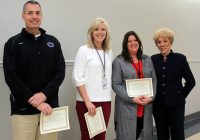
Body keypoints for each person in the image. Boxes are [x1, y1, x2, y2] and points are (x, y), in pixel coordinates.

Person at [3, 1, 65, 140]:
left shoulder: (53, 42)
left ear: (41, 16)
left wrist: (44, 95)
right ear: (23, 16)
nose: (34, 16)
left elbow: (60, 72)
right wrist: (36, 101)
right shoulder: (12, 43)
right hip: (23, 111)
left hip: (50, 109)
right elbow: (11, 77)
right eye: (30, 13)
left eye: (37, 13)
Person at [151, 28, 196, 140]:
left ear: (170, 42)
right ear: (156, 44)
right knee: (162, 135)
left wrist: (180, 95)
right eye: (159, 42)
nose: (162, 44)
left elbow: (191, 81)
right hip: (159, 106)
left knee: (178, 135)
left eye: (165, 41)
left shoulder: (180, 58)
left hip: (176, 105)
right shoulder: (153, 59)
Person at [72, 17, 112, 140]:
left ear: (106, 32)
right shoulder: (84, 50)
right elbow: (77, 77)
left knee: (101, 136)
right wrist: (87, 101)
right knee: (87, 136)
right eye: (96, 29)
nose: (100, 32)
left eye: (103, 29)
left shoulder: (109, 52)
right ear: (91, 32)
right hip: (86, 102)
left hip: (105, 100)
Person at [112, 31, 157, 140]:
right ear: (125, 45)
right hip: (127, 107)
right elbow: (116, 84)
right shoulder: (119, 61)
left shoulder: (147, 59)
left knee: (144, 135)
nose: (133, 43)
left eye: (135, 40)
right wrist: (132, 98)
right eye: (129, 41)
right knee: (127, 136)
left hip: (145, 105)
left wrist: (151, 97)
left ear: (139, 42)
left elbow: (154, 80)